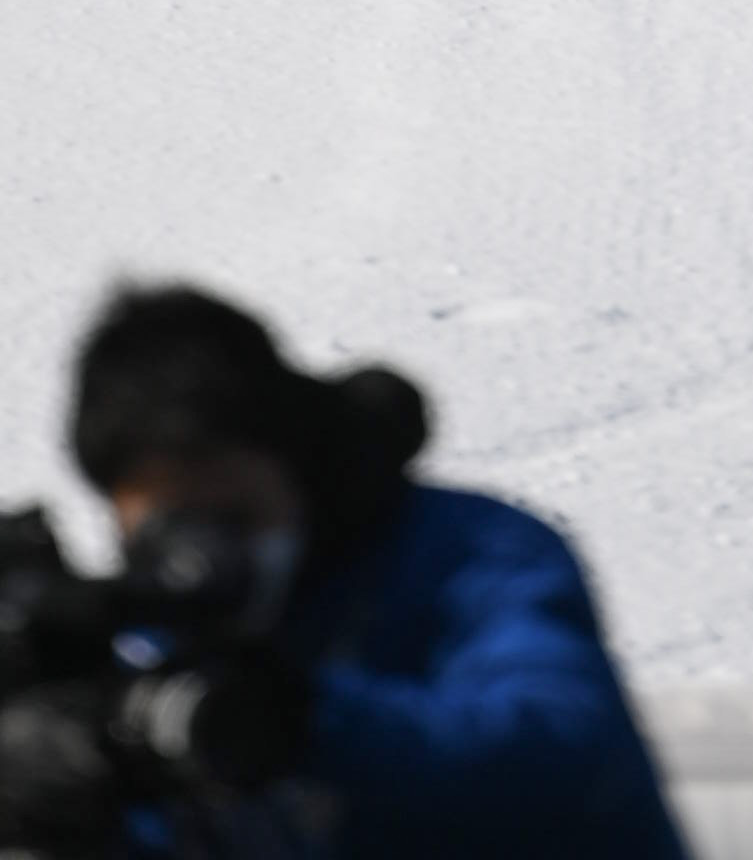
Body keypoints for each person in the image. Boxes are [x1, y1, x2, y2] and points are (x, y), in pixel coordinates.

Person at [57, 282, 689, 857]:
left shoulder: (472, 553)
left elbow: (561, 748)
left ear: (293, 468)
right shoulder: (157, 627)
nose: (206, 560)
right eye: (169, 533)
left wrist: (302, 722)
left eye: (238, 517)